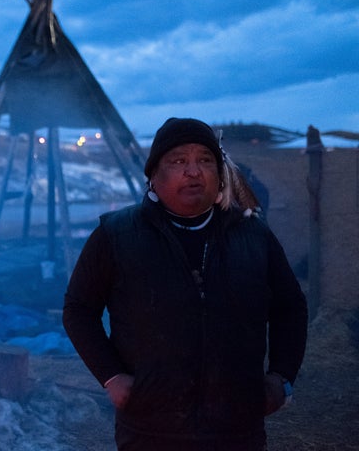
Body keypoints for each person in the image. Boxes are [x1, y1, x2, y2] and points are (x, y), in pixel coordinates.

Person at [63, 117, 308, 450]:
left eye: (205, 160)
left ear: (220, 174)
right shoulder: (117, 236)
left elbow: (290, 307)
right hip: (150, 430)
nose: (194, 171)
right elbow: (79, 309)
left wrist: (282, 376)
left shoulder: (252, 236)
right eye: (178, 161)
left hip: (237, 430)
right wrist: (110, 375)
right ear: (154, 176)